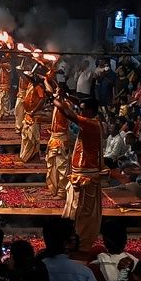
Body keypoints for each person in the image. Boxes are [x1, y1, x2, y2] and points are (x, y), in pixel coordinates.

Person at [57, 96, 105, 251]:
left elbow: (68, 114)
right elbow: (75, 108)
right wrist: (67, 96)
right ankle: (71, 236)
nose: (81, 112)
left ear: (90, 111)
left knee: (82, 211)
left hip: (86, 175)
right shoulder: (90, 120)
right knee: (73, 208)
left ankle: (80, 240)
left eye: (83, 110)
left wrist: (54, 99)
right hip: (79, 172)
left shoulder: (91, 123)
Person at [45, 81, 70, 198]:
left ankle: (62, 191)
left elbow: (51, 95)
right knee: (53, 165)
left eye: (58, 89)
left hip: (61, 139)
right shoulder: (57, 101)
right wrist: (45, 79)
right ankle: (54, 188)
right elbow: (50, 91)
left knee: (62, 167)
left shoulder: (65, 104)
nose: (56, 91)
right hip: (54, 138)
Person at [19, 72, 46, 163]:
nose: (26, 79)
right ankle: (27, 155)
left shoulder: (38, 87)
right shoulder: (30, 85)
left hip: (34, 114)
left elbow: (42, 99)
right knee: (26, 135)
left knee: (33, 136)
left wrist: (33, 111)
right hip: (28, 114)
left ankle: (34, 156)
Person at [0, 53, 12, 121]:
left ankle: (5, 115)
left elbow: (0, 64)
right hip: (1, 86)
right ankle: (1, 115)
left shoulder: (7, 65)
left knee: (5, 101)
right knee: (0, 101)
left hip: (6, 86)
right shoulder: (3, 65)